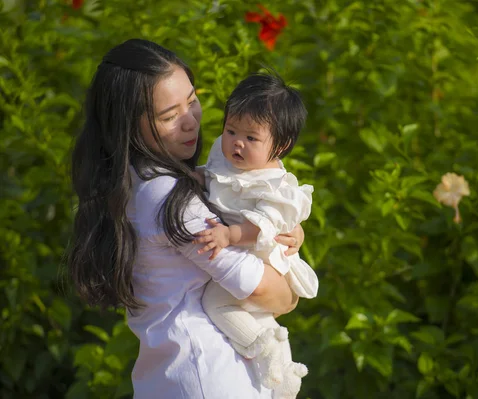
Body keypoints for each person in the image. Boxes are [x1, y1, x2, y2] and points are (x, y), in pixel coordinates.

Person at [66, 38, 305, 398]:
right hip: (211, 375)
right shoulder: (170, 201)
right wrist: (289, 292)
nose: (191, 121)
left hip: (170, 375)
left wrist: (281, 227)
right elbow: (264, 290)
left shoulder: (129, 183)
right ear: (129, 125)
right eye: (169, 116)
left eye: (192, 101)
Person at [193, 72, 319, 398]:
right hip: (243, 250)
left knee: (216, 302)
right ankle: (286, 376)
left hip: (258, 251)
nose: (237, 142)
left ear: (281, 146)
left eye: (252, 138)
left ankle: (260, 345)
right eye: (230, 130)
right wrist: (193, 177)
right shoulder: (224, 156)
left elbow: (264, 225)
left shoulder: (274, 184)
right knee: (261, 316)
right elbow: (211, 178)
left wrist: (230, 235)